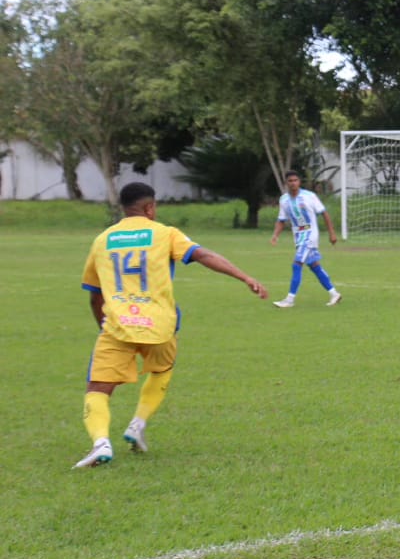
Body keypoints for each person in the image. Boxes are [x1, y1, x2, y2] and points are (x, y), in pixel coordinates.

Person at [75, 182, 267, 468]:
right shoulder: (164, 233)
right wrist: (245, 277)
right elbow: (204, 255)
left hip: (118, 326)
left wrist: (102, 324)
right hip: (161, 325)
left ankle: (101, 442)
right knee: (161, 371)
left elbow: (94, 295)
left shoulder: (102, 240)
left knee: (98, 389)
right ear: (150, 207)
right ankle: (137, 424)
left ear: (124, 208)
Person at [270, 170, 342, 307]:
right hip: (298, 236)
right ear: (286, 183)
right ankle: (334, 294)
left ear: (299, 182)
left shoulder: (310, 196)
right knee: (314, 266)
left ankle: (290, 300)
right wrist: (275, 235)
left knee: (296, 264)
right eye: (290, 181)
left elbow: (324, 213)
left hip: (310, 234)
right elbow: (281, 220)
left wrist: (332, 233)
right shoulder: (284, 199)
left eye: (295, 180)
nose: (293, 183)